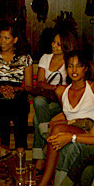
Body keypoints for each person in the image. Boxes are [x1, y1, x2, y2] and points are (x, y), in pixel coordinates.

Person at [37, 50, 94, 186]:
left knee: (58, 130)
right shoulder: (61, 91)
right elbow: (67, 114)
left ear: (85, 68)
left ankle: (44, 183)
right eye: (70, 66)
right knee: (56, 130)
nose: (74, 70)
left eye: (78, 66)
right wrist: (55, 121)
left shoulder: (93, 88)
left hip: (89, 129)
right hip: (70, 127)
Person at [0, 23, 33, 151]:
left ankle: (20, 150)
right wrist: (1, 90)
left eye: (6, 38)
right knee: (3, 109)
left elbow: (28, 86)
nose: (2, 41)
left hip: (17, 96)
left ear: (15, 40)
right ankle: (3, 150)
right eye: (0, 37)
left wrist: (13, 90)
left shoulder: (25, 58)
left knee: (20, 109)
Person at [32, 30, 78, 169]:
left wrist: (58, 90)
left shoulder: (70, 62)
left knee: (36, 119)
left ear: (66, 45)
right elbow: (40, 82)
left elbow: (70, 86)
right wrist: (55, 88)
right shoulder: (46, 58)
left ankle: (40, 158)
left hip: (62, 102)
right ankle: (46, 138)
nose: (54, 45)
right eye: (53, 42)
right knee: (39, 101)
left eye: (58, 44)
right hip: (46, 97)